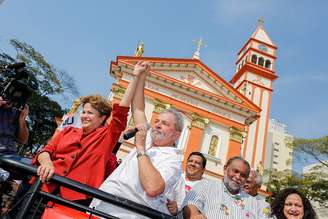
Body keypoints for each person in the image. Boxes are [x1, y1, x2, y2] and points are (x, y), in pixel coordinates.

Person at [31, 60, 149, 206]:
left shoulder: (107, 136)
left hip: (73, 200)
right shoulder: (68, 131)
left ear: (102, 118)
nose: (84, 116)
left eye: (90, 113)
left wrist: (136, 76)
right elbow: (45, 150)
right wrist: (47, 163)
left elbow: (121, 111)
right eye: (84, 111)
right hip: (41, 188)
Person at [90, 61, 184, 218]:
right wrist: (141, 77)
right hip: (101, 206)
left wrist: (140, 149)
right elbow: (138, 109)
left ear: (176, 134)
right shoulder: (147, 139)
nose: (158, 125)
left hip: (126, 214)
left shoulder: (173, 160)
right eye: (157, 121)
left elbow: (153, 187)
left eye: (165, 124)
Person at [182, 156, 270, 219]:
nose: (238, 177)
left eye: (243, 175)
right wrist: (194, 215)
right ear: (225, 169)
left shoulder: (256, 204)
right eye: (235, 171)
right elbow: (191, 203)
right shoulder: (206, 185)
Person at [166, 151, 207, 216]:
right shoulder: (176, 176)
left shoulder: (206, 187)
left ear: (203, 169)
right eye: (190, 161)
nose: (192, 164)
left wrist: (177, 209)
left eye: (197, 163)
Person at [0, 96, 29, 181]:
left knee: (39, 170)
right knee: (4, 175)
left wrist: (22, 121)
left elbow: (23, 141)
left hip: (11, 156)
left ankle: (22, 194)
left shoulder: (16, 112)